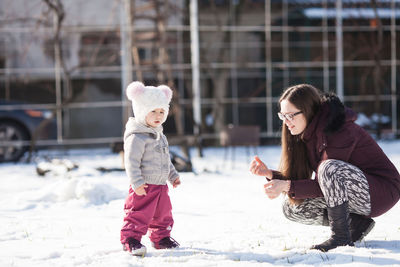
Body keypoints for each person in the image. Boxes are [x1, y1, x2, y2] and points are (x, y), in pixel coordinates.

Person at [249, 84, 400, 252]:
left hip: (382, 191)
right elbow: (309, 183)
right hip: (352, 190)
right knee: (292, 208)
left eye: (291, 115)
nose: (286, 122)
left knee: (329, 168)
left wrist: (286, 185)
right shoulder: (305, 134)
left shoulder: (339, 130)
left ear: (307, 111)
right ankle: (355, 224)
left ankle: (340, 238)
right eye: (283, 116)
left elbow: (326, 181)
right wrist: (271, 174)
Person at [120, 81, 181, 256]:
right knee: (138, 214)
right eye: (153, 111)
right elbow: (131, 162)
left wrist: (172, 175)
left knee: (163, 214)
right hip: (143, 186)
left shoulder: (159, 135)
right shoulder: (137, 137)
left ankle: (161, 238)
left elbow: (165, 159)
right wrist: (137, 182)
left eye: (162, 111)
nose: (158, 115)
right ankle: (130, 239)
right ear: (141, 111)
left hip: (161, 185)